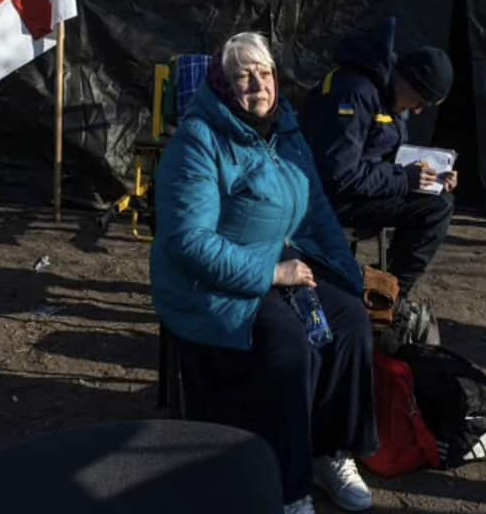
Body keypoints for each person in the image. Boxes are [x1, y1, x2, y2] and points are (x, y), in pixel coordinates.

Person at [151, 32, 377, 514]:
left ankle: (329, 453)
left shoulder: (287, 132)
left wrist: (349, 276)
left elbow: (317, 212)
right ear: (222, 84)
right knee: (289, 346)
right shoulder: (199, 141)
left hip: (282, 260)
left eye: (266, 73)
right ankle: (288, 487)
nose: (258, 84)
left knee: (352, 321)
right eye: (243, 75)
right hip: (213, 281)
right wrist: (273, 273)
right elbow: (188, 243)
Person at [301, 16, 457, 297]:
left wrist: (432, 175)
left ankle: (386, 287)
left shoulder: (385, 94)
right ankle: (389, 296)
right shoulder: (354, 93)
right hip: (326, 199)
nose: (419, 111)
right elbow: (340, 175)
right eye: (421, 103)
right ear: (409, 82)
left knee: (437, 199)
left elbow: (383, 153)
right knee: (436, 209)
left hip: (354, 192)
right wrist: (404, 179)